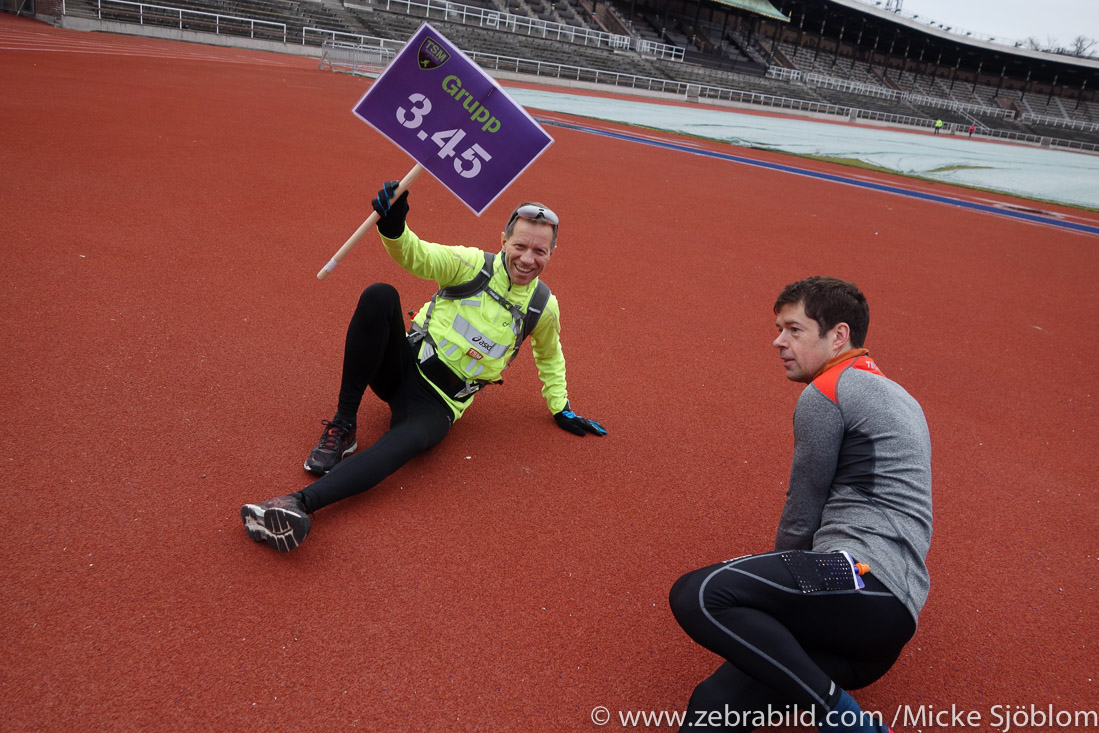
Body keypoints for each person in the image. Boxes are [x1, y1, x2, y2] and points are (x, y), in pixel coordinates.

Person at [241, 182, 607, 553]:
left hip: (438, 404)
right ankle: (344, 425)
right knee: (379, 295)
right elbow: (418, 256)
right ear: (503, 240)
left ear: (552, 253)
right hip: (403, 365)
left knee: (404, 444)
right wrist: (394, 226)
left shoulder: (544, 307)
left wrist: (559, 405)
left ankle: (297, 505)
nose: (528, 259)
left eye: (539, 251)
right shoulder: (470, 264)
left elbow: (550, 355)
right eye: (520, 246)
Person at [669, 277, 932, 733]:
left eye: (793, 329)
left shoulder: (829, 391)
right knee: (713, 706)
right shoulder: (903, 398)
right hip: (886, 627)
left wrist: (774, 592)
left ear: (838, 335)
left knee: (701, 594)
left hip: (858, 578)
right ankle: (836, 708)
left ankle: (847, 722)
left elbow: (803, 510)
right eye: (778, 328)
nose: (778, 341)